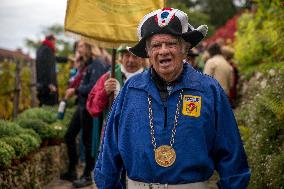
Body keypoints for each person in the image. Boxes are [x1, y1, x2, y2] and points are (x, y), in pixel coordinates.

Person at [94, 8, 250, 189]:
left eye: (171, 44)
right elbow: (110, 150)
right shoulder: (131, 90)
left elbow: (231, 155)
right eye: (156, 45)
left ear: (185, 49)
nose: (163, 51)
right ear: (148, 52)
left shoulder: (209, 90)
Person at [60, 40, 107, 188]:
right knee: (69, 136)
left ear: (88, 47)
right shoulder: (88, 64)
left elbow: (94, 88)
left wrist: (76, 90)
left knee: (88, 143)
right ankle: (72, 170)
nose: (78, 49)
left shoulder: (97, 64)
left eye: (80, 46)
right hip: (81, 106)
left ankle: (87, 175)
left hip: (90, 108)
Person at [87, 44, 145, 118]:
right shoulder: (108, 77)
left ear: (142, 59)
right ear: (121, 57)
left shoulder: (151, 78)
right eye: (127, 55)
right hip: (113, 128)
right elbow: (92, 109)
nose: (131, 60)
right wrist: (104, 93)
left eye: (135, 56)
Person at [35, 34, 68, 106]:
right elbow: (46, 69)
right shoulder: (47, 50)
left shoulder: (41, 49)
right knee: (49, 105)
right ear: (52, 40)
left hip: (42, 83)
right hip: (47, 85)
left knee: (43, 104)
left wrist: (67, 59)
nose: (55, 44)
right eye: (55, 41)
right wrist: (49, 84)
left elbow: (54, 58)